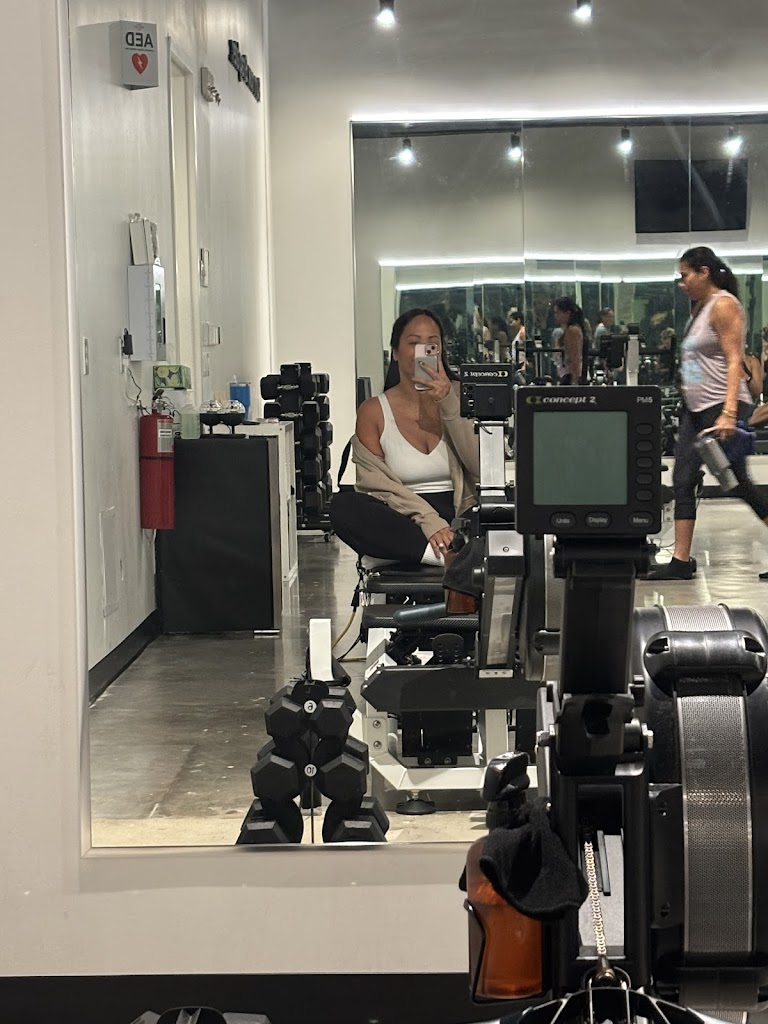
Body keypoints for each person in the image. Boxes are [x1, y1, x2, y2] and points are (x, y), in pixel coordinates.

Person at [646, 246, 768, 581]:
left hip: (720, 408)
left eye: (685, 275)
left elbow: (734, 360)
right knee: (683, 479)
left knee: (739, 484)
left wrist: (729, 412)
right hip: (696, 409)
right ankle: (680, 561)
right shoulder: (698, 309)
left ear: (704, 272)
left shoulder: (724, 305)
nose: (681, 283)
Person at [330, 308, 480, 566]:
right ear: (396, 353)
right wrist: (429, 520)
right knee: (343, 507)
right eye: (413, 343)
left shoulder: (462, 397)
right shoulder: (373, 411)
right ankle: (446, 556)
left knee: (509, 509)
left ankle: (442, 552)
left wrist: (448, 401)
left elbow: (479, 465)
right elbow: (375, 485)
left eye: (432, 344)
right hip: (403, 515)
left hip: (461, 513)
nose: (423, 351)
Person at [553, 296, 585, 385]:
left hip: (570, 375)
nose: (556, 316)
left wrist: (574, 381)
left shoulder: (572, 330)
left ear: (567, 313)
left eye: (557, 312)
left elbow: (575, 358)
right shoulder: (569, 330)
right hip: (566, 374)